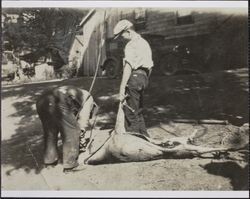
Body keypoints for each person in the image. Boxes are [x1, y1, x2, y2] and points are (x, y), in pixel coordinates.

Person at [36, 85, 98, 172]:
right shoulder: (89, 100)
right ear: (94, 108)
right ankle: (70, 165)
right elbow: (82, 123)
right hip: (59, 99)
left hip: (42, 99)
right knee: (72, 131)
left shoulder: (77, 93)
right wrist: (82, 139)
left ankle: (50, 161)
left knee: (50, 131)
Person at [113, 20, 154, 137]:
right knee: (138, 111)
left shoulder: (131, 45)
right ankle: (145, 137)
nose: (122, 38)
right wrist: (144, 80)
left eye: (122, 35)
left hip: (134, 77)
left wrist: (121, 89)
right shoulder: (144, 43)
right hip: (144, 77)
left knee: (130, 112)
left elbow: (128, 67)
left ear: (128, 31)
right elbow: (150, 66)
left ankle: (134, 140)